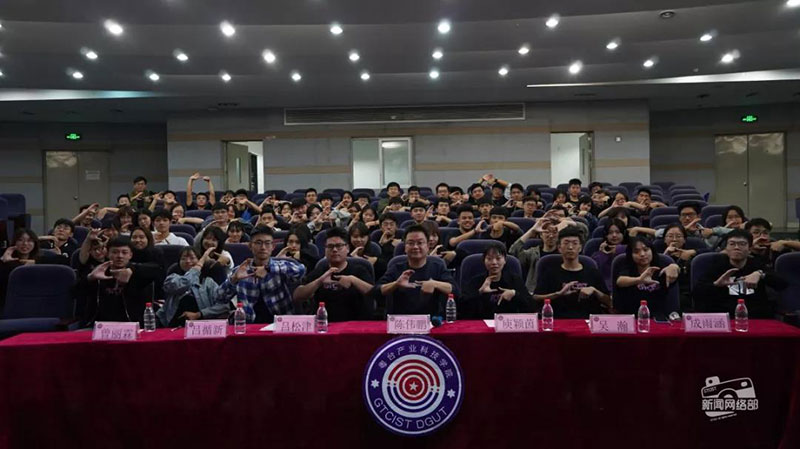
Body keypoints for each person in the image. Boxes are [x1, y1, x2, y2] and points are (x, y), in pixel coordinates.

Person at [215, 226, 306, 323]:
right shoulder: (241, 270)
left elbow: (301, 270)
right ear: (250, 246)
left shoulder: (280, 266)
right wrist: (233, 279)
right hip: (249, 325)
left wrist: (268, 269)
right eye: (258, 243)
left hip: (280, 324)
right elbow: (219, 298)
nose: (263, 247)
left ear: (273, 246)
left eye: (267, 243)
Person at [694, 230, 787, 318]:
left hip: (755, 317)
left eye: (742, 244)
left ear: (750, 249)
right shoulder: (716, 264)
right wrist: (716, 285)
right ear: (726, 248)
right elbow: (697, 293)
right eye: (732, 244)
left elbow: (782, 284)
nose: (736, 247)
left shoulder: (757, 264)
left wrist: (760, 274)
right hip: (723, 316)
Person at [293, 227, 375, 321]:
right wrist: (319, 281)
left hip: (356, 324)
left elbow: (374, 293)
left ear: (347, 248)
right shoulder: (320, 271)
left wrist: (353, 280)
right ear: (325, 250)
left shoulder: (359, 270)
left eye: (339, 246)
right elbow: (297, 296)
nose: (335, 250)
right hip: (325, 324)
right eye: (330, 246)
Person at [79, 237, 164, 326]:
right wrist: (90, 278)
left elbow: (159, 270)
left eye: (124, 252)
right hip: (99, 326)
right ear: (107, 254)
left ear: (130, 255)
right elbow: (75, 293)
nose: (120, 256)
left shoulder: (139, 273)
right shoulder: (99, 272)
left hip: (132, 325)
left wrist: (132, 270)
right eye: (115, 252)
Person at [376, 224, 457, 317]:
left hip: (431, 321)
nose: (415, 247)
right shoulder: (396, 267)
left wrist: (435, 284)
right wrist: (396, 284)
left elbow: (455, 290)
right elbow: (376, 291)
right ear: (405, 247)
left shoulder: (438, 266)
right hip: (401, 321)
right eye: (411, 243)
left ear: (427, 246)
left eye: (420, 243)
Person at [533, 227, 611, 318]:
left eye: (575, 243)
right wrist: (558, 294)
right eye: (566, 243)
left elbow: (609, 302)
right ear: (559, 248)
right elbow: (535, 298)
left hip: (587, 321)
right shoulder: (550, 272)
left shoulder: (593, 272)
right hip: (558, 320)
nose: (570, 247)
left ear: (580, 248)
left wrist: (595, 291)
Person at [157, 247, 230, 327]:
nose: (188, 261)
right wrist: (198, 266)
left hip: (202, 325)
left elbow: (224, 306)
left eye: (192, 258)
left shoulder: (208, 282)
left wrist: (199, 314)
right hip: (173, 325)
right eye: (183, 259)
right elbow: (185, 283)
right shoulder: (171, 279)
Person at [614, 236, 680, 319]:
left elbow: (675, 271)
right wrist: (639, 279)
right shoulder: (627, 266)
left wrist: (675, 267)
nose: (642, 254)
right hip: (632, 315)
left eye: (645, 250)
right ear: (631, 255)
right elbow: (620, 281)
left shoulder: (661, 265)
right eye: (636, 252)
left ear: (652, 250)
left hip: (660, 315)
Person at [463, 242, 534, 318]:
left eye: (498, 258)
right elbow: (462, 309)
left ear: (505, 260)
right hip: (482, 322)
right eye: (489, 259)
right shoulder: (475, 281)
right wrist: (479, 292)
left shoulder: (514, 280)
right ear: (484, 261)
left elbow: (532, 307)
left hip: (508, 322)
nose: (494, 262)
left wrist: (515, 294)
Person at [509, 212, 564, 292]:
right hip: (534, 291)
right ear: (541, 235)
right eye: (547, 232)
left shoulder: (563, 253)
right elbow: (513, 251)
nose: (551, 236)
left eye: (554, 232)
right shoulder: (533, 253)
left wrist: (564, 221)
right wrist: (532, 230)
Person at [0, 229, 40, 311]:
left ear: (35, 243)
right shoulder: (6, 260)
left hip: (33, 302)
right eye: (20, 240)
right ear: (14, 242)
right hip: (9, 303)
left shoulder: (40, 260)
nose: (25, 244)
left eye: (29, 240)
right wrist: (3, 262)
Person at [661, 223, 697, 311]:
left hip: (686, 294)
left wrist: (693, 252)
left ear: (684, 240)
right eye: (670, 236)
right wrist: (665, 255)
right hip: (663, 291)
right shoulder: (658, 254)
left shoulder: (691, 254)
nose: (674, 239)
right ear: (664, 239)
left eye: (678, 236)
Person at [590, 218, 627, 292]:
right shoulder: (597, 254)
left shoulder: (632, 250)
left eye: (618, 232)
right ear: (606, 235)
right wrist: (602, 254)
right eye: (610, 233)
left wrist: (619, 249)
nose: (614, 235)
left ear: (623, 233)